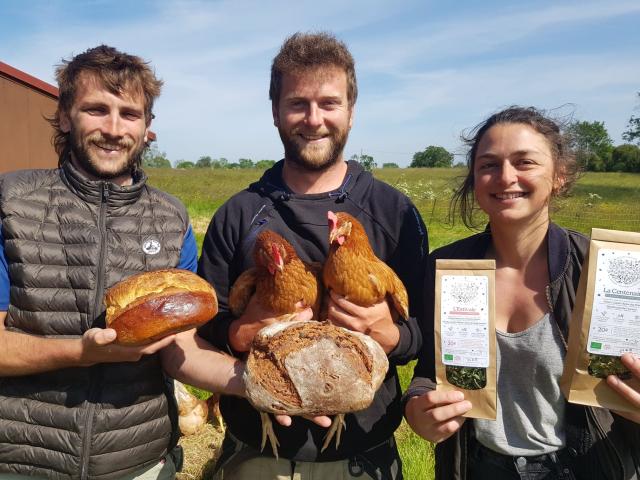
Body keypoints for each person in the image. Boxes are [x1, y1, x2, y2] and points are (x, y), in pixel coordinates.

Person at [0, 45, 243, 479]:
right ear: (64, 116)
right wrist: (81, 353)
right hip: (22, 460)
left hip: (141, 463)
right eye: (96, 110)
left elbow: (180, 348)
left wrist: (254, 384)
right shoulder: (13, 204)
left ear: (148, 127)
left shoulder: (171, 218)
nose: (114, 129)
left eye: (129, 114)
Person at [195, 32, 428, 479]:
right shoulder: (239, 213)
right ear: (276, 112)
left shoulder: (394, 213)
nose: (314, 119)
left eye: (329, 103)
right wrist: (240, 332)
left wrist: (393, 335)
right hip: (259, 452)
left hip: (362, 453)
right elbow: (208, 324)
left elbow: (428, 329)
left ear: (351, 111)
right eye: (298, 103)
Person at [404, 106, 640, 480]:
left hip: (584, 465)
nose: (506, 177)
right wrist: (418, 406)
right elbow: (430, 372)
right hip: (478, 467)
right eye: (489, 165)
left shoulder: (602, 270)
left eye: (524, 162)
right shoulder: (448, 267)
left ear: (559, 175)